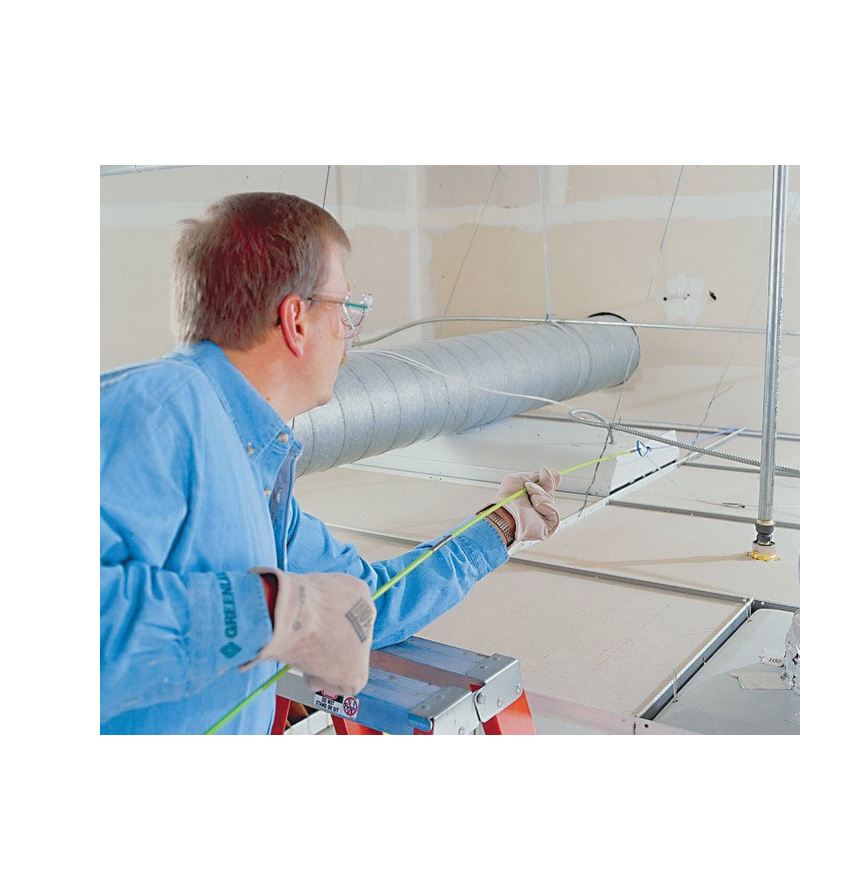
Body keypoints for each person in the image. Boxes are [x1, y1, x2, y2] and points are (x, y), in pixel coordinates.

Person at [100, 191, 561, 735]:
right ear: (295, 319)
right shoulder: (156, 410)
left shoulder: (260, 474)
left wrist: (501, 527)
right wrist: (274, 611)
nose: (348, 334)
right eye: (345, 309)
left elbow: (366, 602)